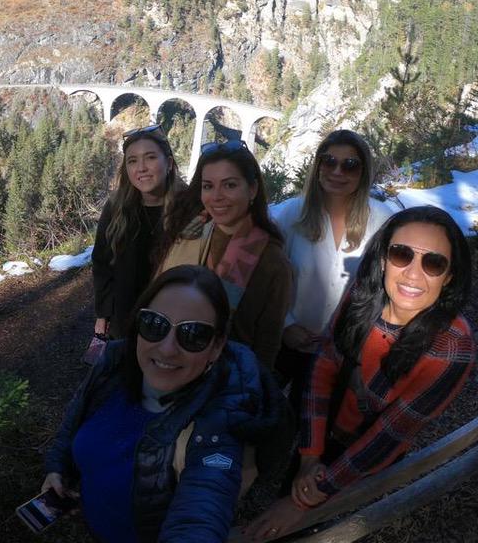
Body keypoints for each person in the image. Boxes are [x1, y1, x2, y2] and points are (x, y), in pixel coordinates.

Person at [244, 206, 476, 542]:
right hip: (325, 431)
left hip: (370, 458)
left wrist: (311, 496)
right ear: (383, 259)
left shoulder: (452, 348)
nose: (413, 273)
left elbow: (389, 433)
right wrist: (310, 458)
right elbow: (323, 368)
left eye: (433, 263)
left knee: (329, 527)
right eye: (401, 254)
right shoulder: (362, 297)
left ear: (450, 276)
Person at [43, 265, 291, 543]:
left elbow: (201, 510)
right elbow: (72, 424)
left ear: (217, 347)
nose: (167, 348)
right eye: (154, 324)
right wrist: (57, 468)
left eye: (193, 334)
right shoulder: (111, 365)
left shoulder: (217, 423)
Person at [272, 130, 394, 406]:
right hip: (290, 344)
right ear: (317, 167)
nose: (337, 171)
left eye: (350, 165)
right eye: (329, 162)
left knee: (319, 431)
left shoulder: (382, 221)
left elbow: (390, 288)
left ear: (364, 172)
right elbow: (266, 278)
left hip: (346, 353)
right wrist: (286, 325)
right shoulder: (292, 214)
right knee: (270, 417)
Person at [158, 140, 292, 369]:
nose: (216, 197)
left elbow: (268, 343)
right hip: (165, 361)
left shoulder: (272, 262)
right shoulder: (190, 233)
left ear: (252, 190)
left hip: (227, 379)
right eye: (208, 186)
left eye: (229, 185)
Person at [92, 124, 184, 339]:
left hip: (172, 321)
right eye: (132, 161)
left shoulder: (188, 208)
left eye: (150, 157)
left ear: (169, 163)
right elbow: (102, 262)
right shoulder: (116, 207)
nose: (141, 167)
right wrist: (104, 313)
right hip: (124, 319)